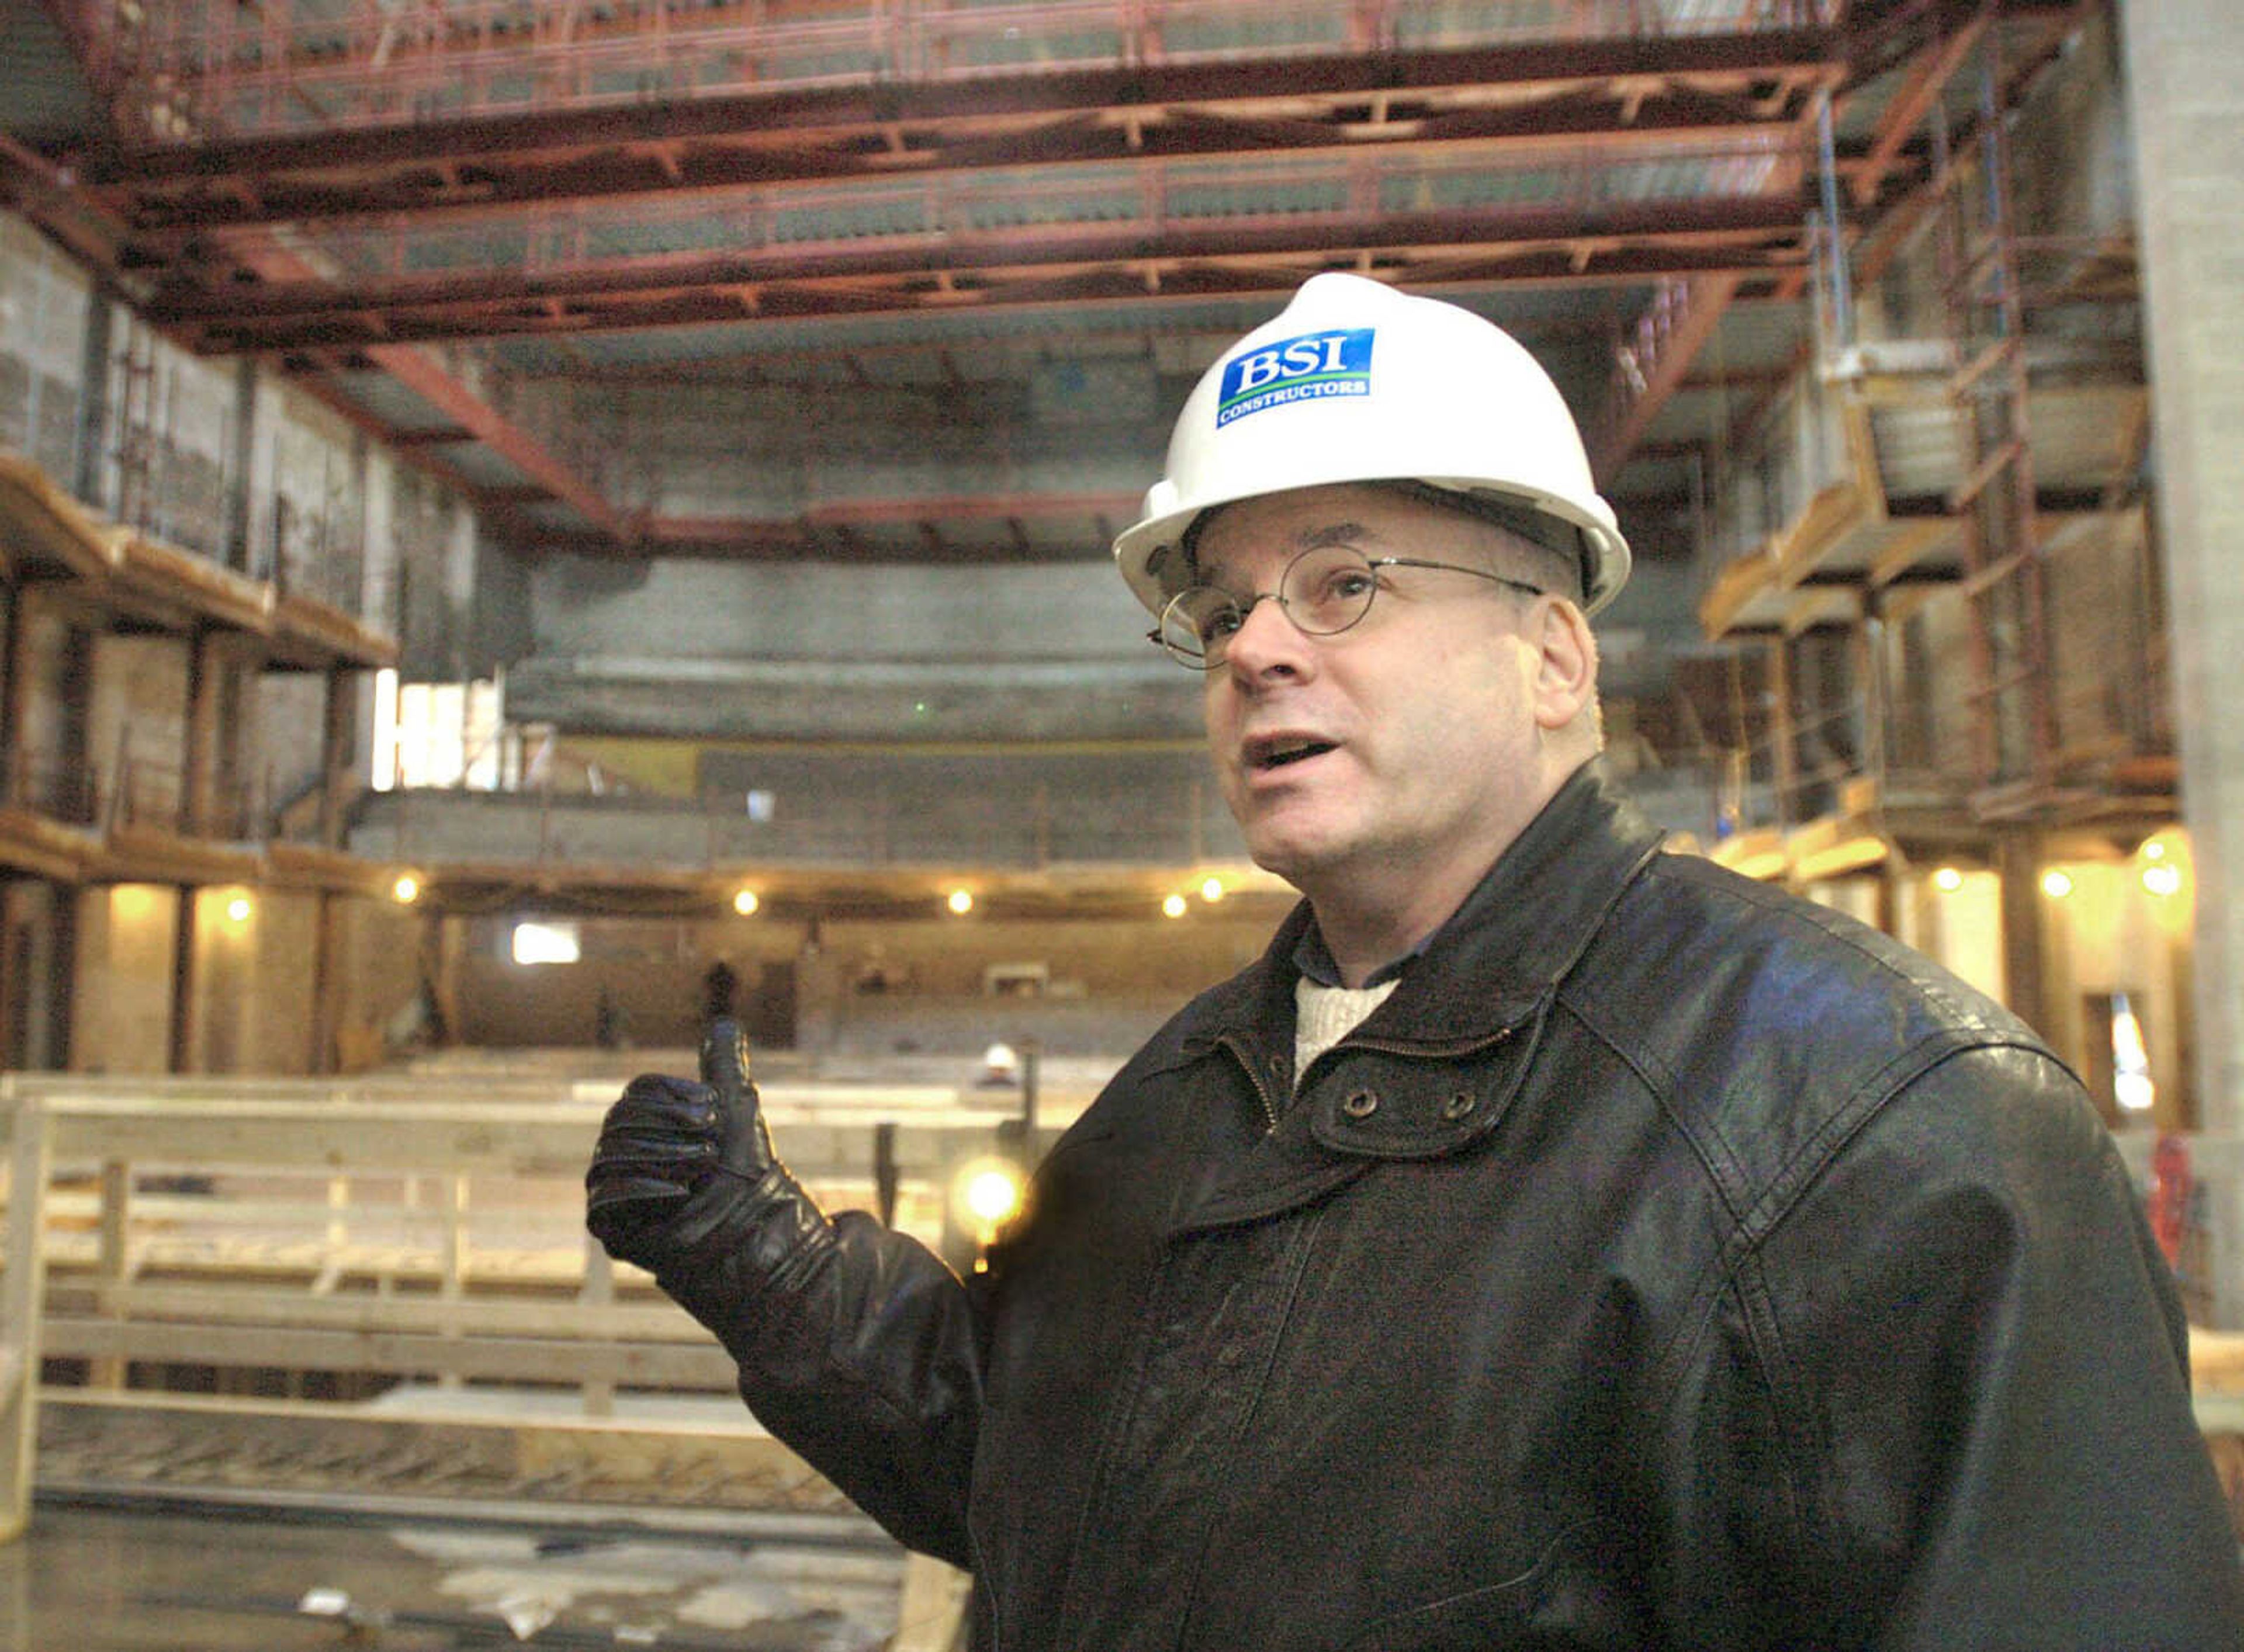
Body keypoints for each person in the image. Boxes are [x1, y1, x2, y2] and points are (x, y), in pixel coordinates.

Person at [587, 273, 2242, 1648]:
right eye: (1223, 608)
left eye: (1349, 581)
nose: (1255, 646)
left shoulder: (1887, 1140)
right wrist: (774, 1265)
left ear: (1554, 655)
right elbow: (1041, 1475)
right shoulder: (1194, 1094)